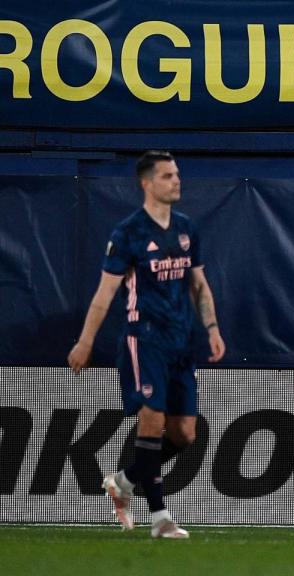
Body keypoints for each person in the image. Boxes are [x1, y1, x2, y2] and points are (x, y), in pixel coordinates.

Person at [67, 151, 225, 539]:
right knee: (151, 420)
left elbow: (199, 284)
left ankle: (122, 482)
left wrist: (212, 327)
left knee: (185, 434)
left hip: (181, 342)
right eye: (168, 176)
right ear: (146, 183)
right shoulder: (129, 233)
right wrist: (85, 342)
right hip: (145, 339)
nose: (177, 181)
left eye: (177, 175)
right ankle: (160, 517)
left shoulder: (187, 228)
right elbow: (105, 294)